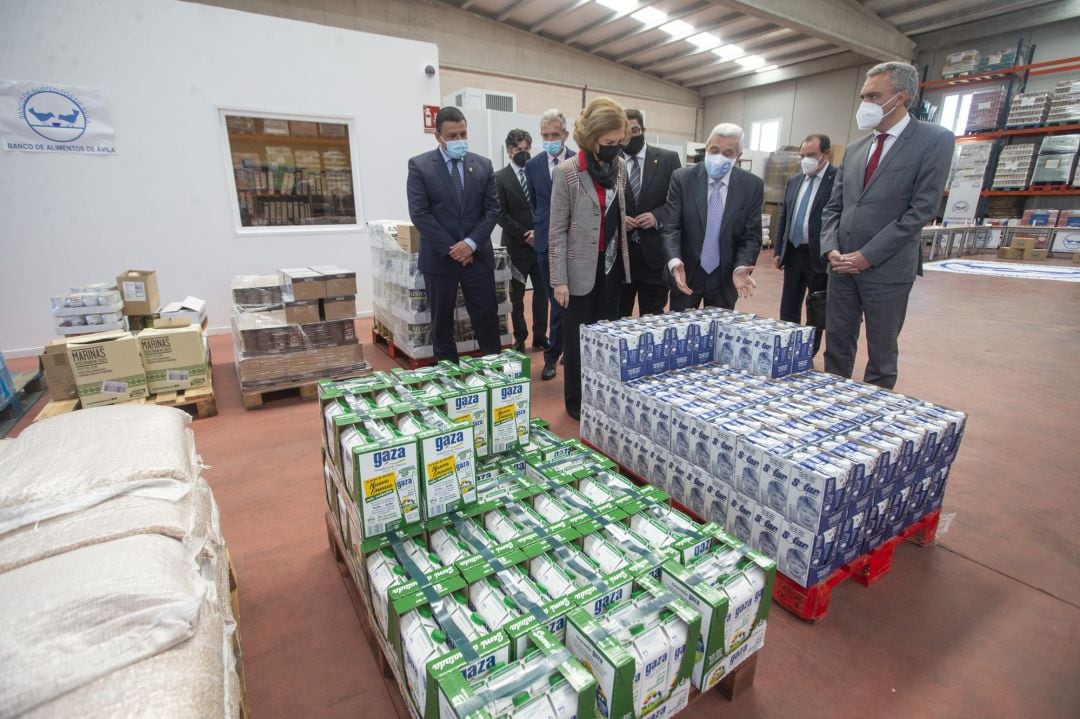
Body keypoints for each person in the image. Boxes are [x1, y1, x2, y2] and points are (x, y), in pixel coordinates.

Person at [820, 61, 954, 389]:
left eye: (874, 96)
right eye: (863, 96)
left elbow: (921, 210)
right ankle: (829, 407)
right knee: (836, 347)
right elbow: (834, 207)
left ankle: (873, 419)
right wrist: (830, 249)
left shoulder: (933, 140)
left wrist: (868, 255)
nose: (865, 104)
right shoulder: (855, 149)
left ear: (902, 97)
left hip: (887, 270)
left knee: (881, 355)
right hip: (841, 268)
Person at [549, 97, 632, 420]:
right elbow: (556, 231)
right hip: (578, 272)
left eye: (618, 141)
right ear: (591, 138)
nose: (614, 148)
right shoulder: (567, 173)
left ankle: (601, 398)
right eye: (607, 142)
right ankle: (577, 402)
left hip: (610, 267)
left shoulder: (620, 168)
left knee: (605, 339)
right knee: (577, 340)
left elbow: (617, 211)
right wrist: (560, 281)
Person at [406, 106, 501, 362]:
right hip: (440, 260)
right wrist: (454, 248)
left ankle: (493, 371)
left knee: (486, 317)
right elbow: (420, 214)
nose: (460, 141)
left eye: (463, 134)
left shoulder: (482, 165)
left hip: (477, 257)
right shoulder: (420, 166)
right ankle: (449, 375)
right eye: (452, 136)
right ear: (438, 137)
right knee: (442, 322)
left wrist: (470, 244)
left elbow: (492, 210)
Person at [662, 123, 762, 310]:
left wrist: (741, 266)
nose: (719, 157)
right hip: (686, 273)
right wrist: (675, 262)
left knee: (719, 335)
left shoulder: (751, 186)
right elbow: (670, 227)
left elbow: (752, 235)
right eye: (714, 150)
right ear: (706, 149)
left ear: (738, 157)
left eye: (728, 153)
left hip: (725, 277)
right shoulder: (682, 178)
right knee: (681, 334)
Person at [774, 133, 837, 356]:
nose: (805, 160)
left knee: (816, 307)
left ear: (826, 154)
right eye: (802, 155)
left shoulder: (837, 180)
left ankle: (807, 353)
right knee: (789, 304)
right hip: (793, 253)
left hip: (819, 255)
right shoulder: (795, 181)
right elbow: (785, 216)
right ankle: (786, 348)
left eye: (811, 155)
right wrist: (778, 249)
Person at [525, 109, 576, 381]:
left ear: (565, 135)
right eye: (545, 135)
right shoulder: (533, 166)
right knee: (555, 303)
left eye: (555, 135)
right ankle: (551, 357)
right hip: (546, 244)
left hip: (574, 243)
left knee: (574, 302)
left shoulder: (579, 161)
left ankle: (570, 350)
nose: (550, 139)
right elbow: (535, 203)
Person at [619, 109, 682, 317]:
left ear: (643, 129)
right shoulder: (610, 161)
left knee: (652, 317)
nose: (630, 136)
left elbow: (676, 202)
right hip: (622, 256)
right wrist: (619, 220)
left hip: (654, 256)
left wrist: (657, 216)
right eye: (625, 132)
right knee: (618, 318)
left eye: (634, 130)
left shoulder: (668, 159)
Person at [494, 129, 548, 353]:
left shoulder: (539, 172)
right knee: (516, 296)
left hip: (541, 244)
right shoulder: (499, 178)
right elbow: (499, 213)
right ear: (509, 151)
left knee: (542, 293)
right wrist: (525, 234)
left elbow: (546, 205)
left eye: (526, 149)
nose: (523, 153)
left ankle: (540, 336)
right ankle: (520, 338)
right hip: (517, 246)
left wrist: (538, 232)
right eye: (518, 150)